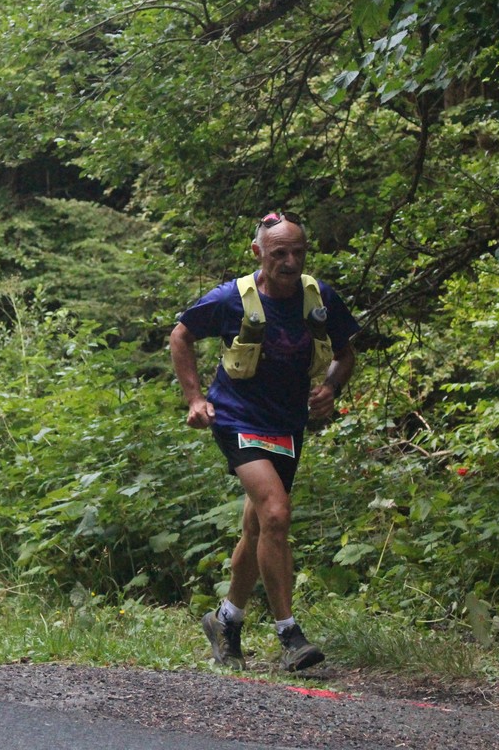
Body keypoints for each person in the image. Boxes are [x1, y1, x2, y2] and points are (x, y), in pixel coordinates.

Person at [169, 211, 360, 672]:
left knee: (259, 527)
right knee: (276, 511)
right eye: (279, 253)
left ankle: (226, 620)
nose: (290, 262)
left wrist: (331, 387)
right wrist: (195, 399)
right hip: (237, 417)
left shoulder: (319, 298)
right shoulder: (231, 299)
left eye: (298, 252)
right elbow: (181, 335)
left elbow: (345, 351)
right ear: (258, 253)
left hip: (287, 423)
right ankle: (289, 634)